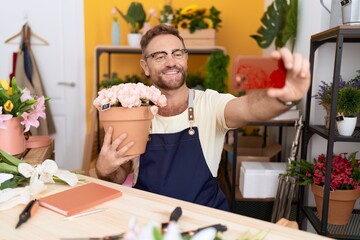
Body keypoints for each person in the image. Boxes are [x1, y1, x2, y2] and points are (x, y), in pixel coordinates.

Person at [95, 24, 310, 211]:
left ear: (186, 58)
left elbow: (248, 108)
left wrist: (282, 99)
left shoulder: (210, 104)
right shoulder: (131, 112)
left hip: (204, 220)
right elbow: (119, 173)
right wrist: (104, 170)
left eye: (177, 53)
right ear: (145, 67)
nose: (171, 62)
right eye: (159, 56)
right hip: (149, 220)